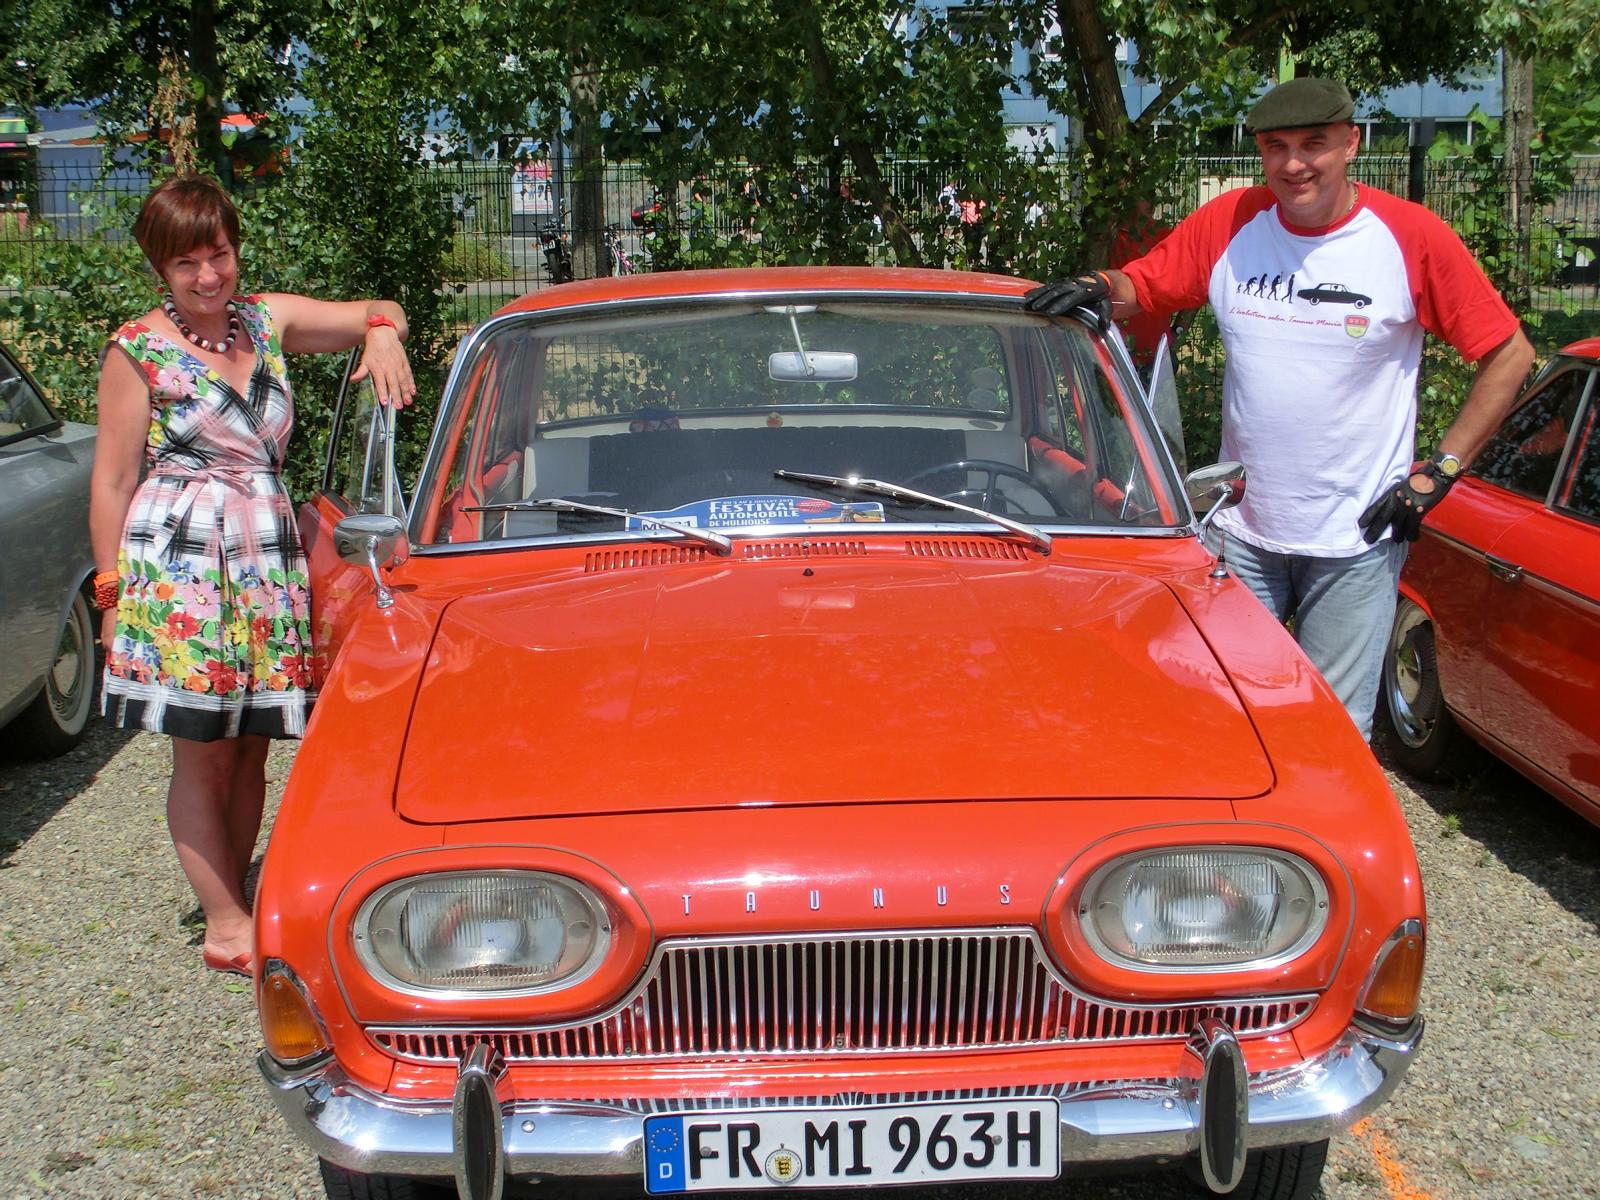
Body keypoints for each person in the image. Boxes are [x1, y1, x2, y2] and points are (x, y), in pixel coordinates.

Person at [1024, 77, 1534, 742]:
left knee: (1330, 735)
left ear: (1351, 144)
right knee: (1223, 724)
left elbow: (1510, 354)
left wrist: (1439, 471)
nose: (1294, 164)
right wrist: (1097, 285)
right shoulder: (1235, 221)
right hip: (1242, 534)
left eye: (1313, 144)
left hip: (1356, 538)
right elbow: (1144, 287)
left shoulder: (1408, 236)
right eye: (1276, 147)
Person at [89, 174, 416, 976]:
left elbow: (382, 308)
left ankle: (233, 891)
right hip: (183, 572)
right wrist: (109, 594)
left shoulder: (266, 321)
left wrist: (381, 335)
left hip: (264, 563)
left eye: (219, 255)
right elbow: (112, 481)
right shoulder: (137, 351)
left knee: (251, 747)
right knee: (202, 751)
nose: (208, 277)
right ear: (159, 269)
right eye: (186, 264)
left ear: (236, 250)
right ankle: (225, 921)